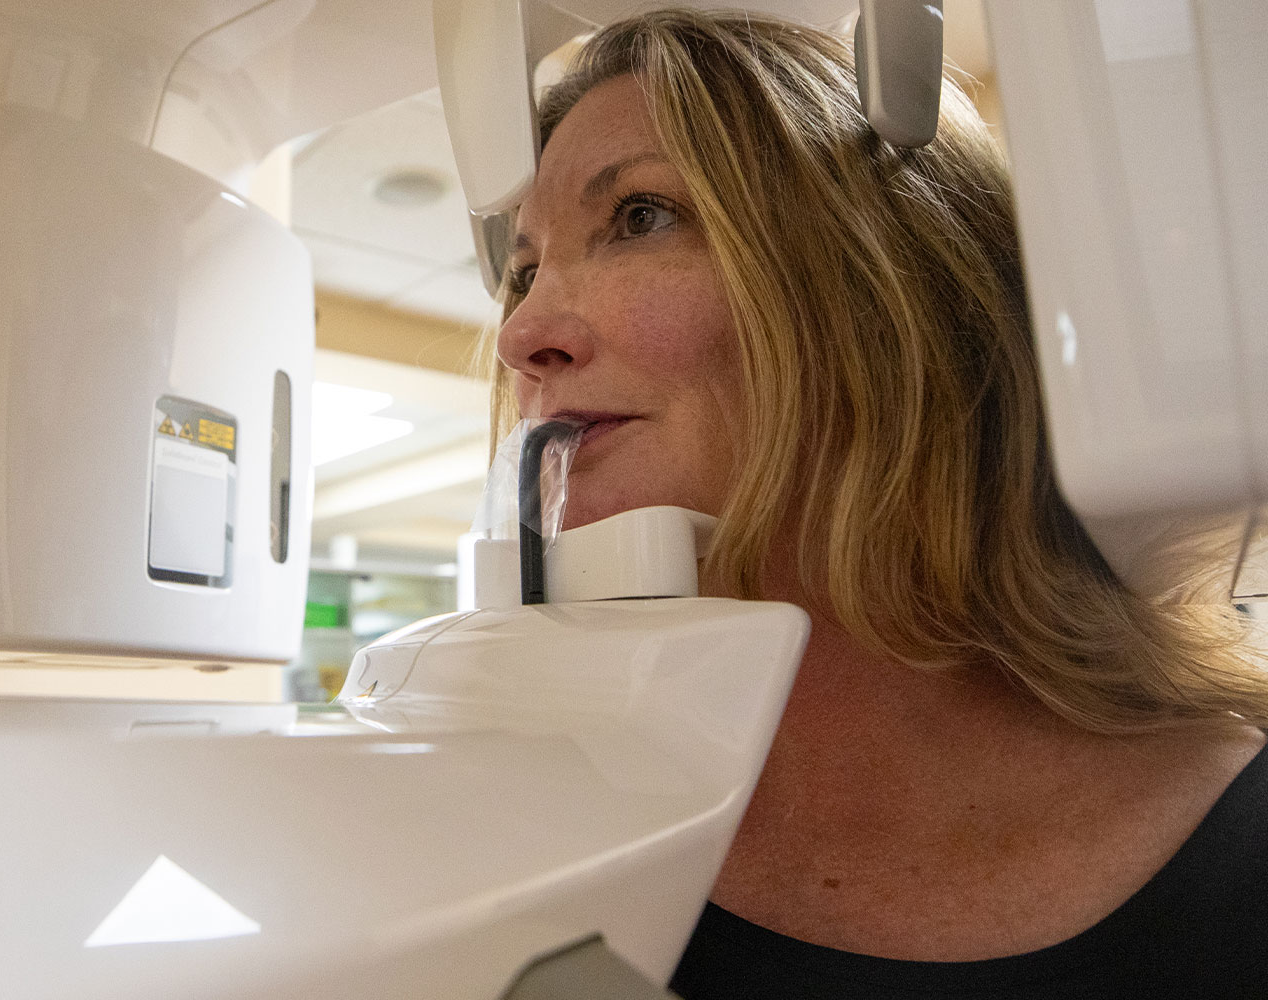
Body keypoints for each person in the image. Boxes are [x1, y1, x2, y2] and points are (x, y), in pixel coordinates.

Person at [489, 9, 1268, 997]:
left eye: (639, 216)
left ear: (895, 285)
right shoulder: (514, 842)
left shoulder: (1240, 849)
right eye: (521, 274)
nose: (522, 334)